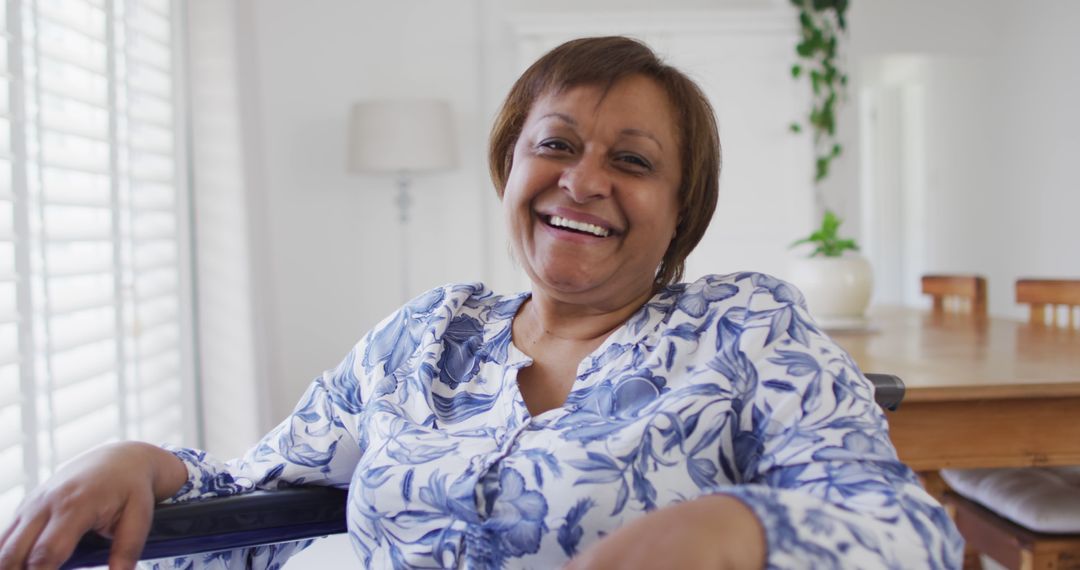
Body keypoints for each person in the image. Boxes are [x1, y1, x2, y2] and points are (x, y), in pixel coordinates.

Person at [0, 36, 963, 569]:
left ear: (681, 214)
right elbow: (267, 502)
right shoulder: (426, 335)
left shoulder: (745, 329)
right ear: (510, 169)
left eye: (631, 161)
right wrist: (143, 463)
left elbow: (908, 532)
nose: (582, 182)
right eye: (555, 145)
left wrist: (737, 531)